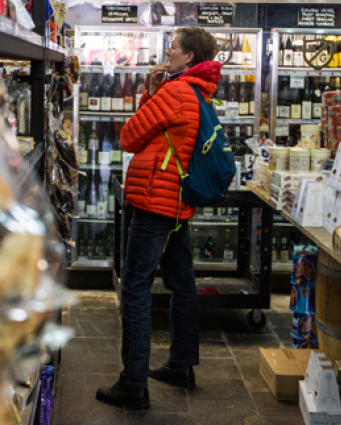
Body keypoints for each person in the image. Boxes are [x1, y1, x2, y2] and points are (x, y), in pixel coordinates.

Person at [96, 27, 221, 410]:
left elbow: (130, 137)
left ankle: (133, 384)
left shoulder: (176, 91)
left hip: (155, 202)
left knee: (135, 288)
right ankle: (181, 365)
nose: (169, 51)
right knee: (182, 283)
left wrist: (152, 92)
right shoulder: (198, 91)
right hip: (177, 202)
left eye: (174, 47)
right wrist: (155, 90)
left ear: (189, 57)